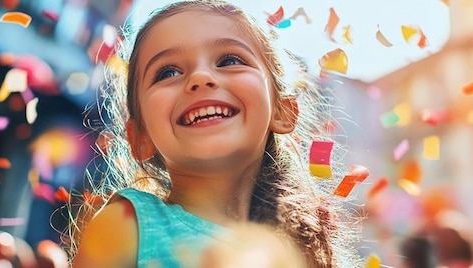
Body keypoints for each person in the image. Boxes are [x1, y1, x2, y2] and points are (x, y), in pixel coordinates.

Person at [69, 1, 360, 267]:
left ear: (282, 112)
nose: (200, 77)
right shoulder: (127, 226)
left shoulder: (306, 255)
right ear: (140, 137)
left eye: (230, 60)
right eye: (167, 72)